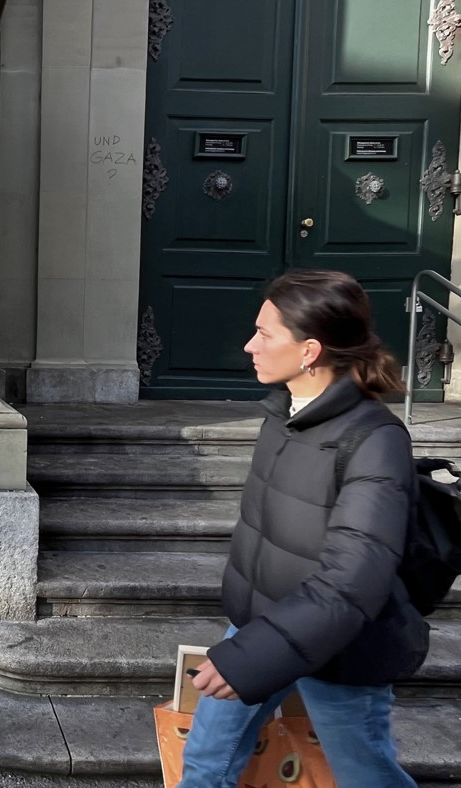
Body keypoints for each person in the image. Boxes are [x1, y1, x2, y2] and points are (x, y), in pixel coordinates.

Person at [179, 270, 429, 787]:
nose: (249, 345)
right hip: (258, 628)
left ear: (310, 350)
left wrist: (253, 656)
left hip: (340, 650)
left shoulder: (374, 440)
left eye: (265, 334)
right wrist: (251, 637)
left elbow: (352, 581)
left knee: (366, 774)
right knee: (205, 762)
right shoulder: (284, 416)